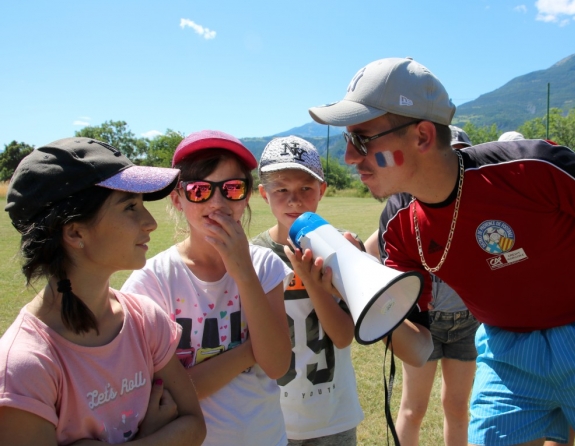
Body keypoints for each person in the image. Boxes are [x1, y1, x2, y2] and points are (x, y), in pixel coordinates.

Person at [308, 57, 575, 445]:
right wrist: (359, 289)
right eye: (347, 141)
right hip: (506, 350)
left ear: (423, 136)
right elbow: (420, 348)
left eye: (361, 139)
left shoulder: (531, 167)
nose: (349, 157)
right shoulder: (399, 224)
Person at [0, 137, 206, 445]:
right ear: (75, 232)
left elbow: (194, 427)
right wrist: (155, 436)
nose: (149, 222)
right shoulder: (24, 366)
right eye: (130, 207)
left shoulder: (144, 318)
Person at [121, 130, 292, 446]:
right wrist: (249, 351)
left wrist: (243, 272)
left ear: (247, 195)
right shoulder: (153, 281)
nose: (217, 202)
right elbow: (162, 392)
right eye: (199, 190)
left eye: (232, 188)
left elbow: (278, 365)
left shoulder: (264, 265)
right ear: (178, 199)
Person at [251, 135, 364, 445]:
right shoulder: (252, 256)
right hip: (272, 416)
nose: (294, 200)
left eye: (305, 188)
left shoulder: (342, 247)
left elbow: (342, 336)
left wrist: (313, 282)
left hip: (332, 415)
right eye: (281, 189)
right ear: (263, 193)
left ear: (322, 190)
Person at [366, 228, 478, 446]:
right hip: (423, 324)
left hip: (467, 321)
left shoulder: (465, 207)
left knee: (457, 407)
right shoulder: (410, 212)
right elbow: (370, 249)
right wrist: (398, 296)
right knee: (413, 409)